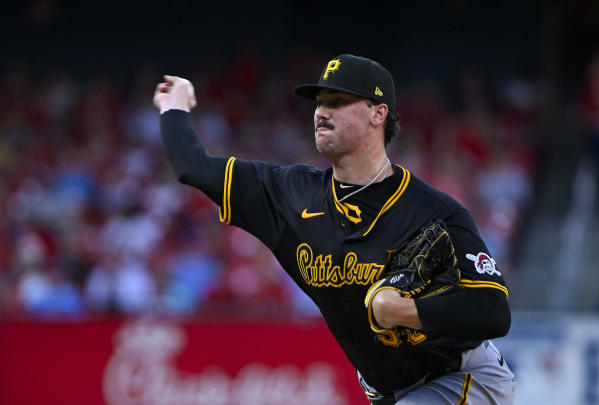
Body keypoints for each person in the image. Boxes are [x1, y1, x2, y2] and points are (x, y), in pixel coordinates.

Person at [154, 54, 514, 404]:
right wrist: (174, 107)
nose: (321, 112)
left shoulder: (434, 212)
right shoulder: (289, 195)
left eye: (338, 102)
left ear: (378, 113)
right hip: (387, 391)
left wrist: (407, 311)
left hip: (461, 379)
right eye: (319, 102)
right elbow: (194, 167)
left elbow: (494, 310)